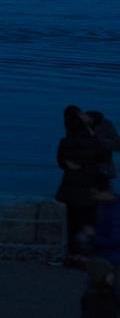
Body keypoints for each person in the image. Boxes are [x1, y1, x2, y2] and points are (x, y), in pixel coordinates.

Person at [56, 105, 113, 266]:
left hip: (70, 188)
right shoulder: (93, 142)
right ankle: (87, 258)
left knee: (72, 224)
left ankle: (72, 257)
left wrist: (71, 165)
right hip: (89, 188)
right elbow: (103, 158)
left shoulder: (65, 142)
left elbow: (61, 162)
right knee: (89, 224)